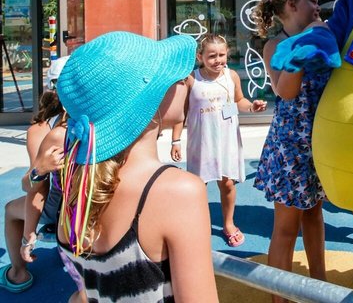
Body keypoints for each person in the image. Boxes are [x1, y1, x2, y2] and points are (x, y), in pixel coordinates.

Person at [55, 31, 218, 302]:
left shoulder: (78, 185)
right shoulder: (178, 192)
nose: (186, 81)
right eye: (176, 77)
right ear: (151, 100)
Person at [252, 0, 329, 303]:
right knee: (285, 227)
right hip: (291, 147)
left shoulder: (323, 36)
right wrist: (306, 43)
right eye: (311, 1)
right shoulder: (275, 45)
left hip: (320, 141)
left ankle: (321, 288)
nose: (317, 7)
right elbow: (286, 91)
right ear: (291, 5)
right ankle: (279, 298)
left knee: (314, 215)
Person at [170, 33, 266, 248]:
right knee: (197, 186)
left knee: (227, 183)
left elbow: (239, 100)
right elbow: (180, 113)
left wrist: (252, 107)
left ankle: (228, 223)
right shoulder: (192, 79)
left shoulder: (231, 76)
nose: (217, 60)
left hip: (227, 140)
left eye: (221, 55)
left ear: (227, 54)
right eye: (212, 56)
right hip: (201, 142)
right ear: (200, 57)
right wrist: (175, 140)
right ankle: (197, 224)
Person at [1, 57, 73, 295]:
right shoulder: (100, 122)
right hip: (91, 202)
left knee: (11, 210)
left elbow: (36, 187)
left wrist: (28, 237)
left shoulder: (43, 130)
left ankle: (18, 273)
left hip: (59, 208)